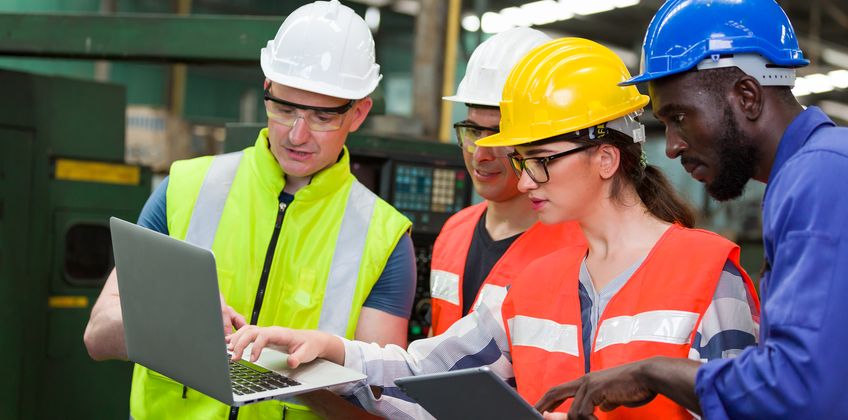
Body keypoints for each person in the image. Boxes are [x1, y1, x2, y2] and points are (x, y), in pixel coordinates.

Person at [225, 38, 760, 419]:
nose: (524, 179)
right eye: (522, 158)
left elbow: (747, 409)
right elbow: (424, 376)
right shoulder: (531, 284)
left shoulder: (707, 275)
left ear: (604, 158)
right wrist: (324, 351)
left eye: (541, 158)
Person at [83, 1, 414, 419]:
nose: (297, 133)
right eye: (284, 107)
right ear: (266, 88)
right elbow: (98, 335)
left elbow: (383, 410)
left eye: (321, 116)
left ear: (358, 113)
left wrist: (296, 370)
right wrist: (176, 325)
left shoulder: (383, 239)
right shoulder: (185, 188)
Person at [534, 0, 848, 418]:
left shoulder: (820, 177)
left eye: (679, 116)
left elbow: (802, 387)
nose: (673, 145)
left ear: (747, 97)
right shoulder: (814, 172)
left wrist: (654, 372)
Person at [430, 27, 585, 336]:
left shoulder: (581, 249)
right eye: (473, 132)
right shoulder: (453, 232)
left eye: (501, 135)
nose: (480, 154)